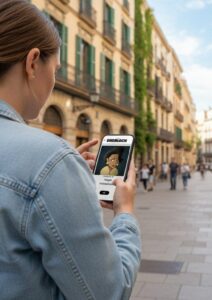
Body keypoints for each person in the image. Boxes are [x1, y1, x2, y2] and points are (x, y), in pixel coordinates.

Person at [0, 2, 141, 299]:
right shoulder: (48, 160)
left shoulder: (50, 162)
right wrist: (124, 211)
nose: (53, 80)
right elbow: (109, 291)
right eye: (56, 69)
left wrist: (59, 174)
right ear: (33, 62)